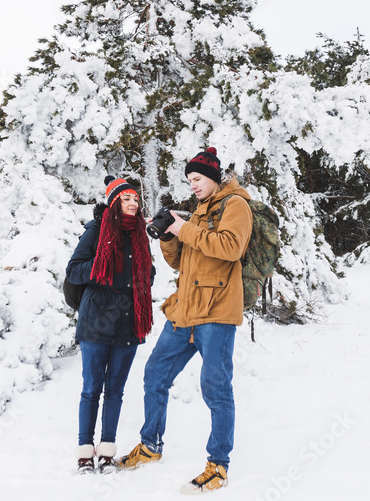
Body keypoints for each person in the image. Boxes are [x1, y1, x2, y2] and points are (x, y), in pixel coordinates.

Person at [118, 147, 253, 494]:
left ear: (211, 177)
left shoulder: (235, 204)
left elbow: (231, 247)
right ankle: (151, 445)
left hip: (216, 313)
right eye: (189, 180)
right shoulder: (197, 211)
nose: (192, 185)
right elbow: (183, 263)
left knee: (216, 388)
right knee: (155, 374)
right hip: (184, 312)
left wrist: (184, 227)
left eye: (196, 179)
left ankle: (218, 465)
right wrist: (168, 235)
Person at [65, 175, 155, 474]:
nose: (133, 203)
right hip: (96, 320)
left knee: (115, 390)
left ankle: (106, 451)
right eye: (127, 199)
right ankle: (84, 451)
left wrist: (141, 280)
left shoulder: (140, 235)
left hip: (129, 321)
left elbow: (149, 274)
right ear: (114, 202)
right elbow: (74, 271)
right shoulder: (96, 231)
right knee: (91, 388)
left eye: (136, 199)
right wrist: (101, 267)